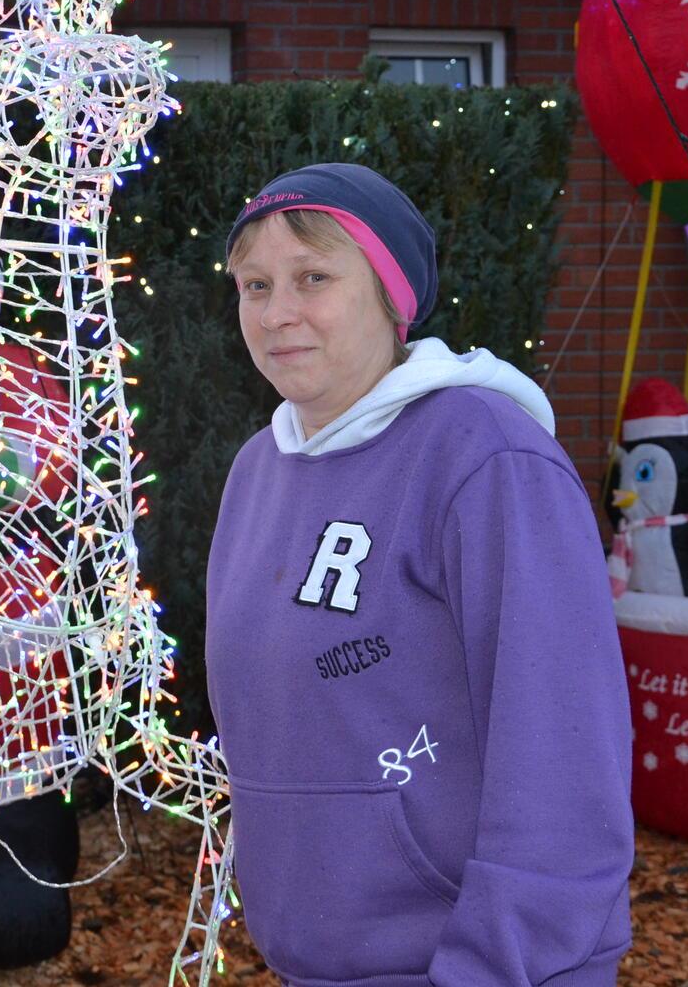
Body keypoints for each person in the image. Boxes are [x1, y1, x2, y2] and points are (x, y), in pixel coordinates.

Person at [204, 163, 633, 986]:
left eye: (314, 277)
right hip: (314, 965)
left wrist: (494, 964)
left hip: (482, 967)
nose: (277, 312)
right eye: (254, 285)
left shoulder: (486, 457)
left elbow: (562, 754)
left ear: (391, 296)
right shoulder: (258, 469)